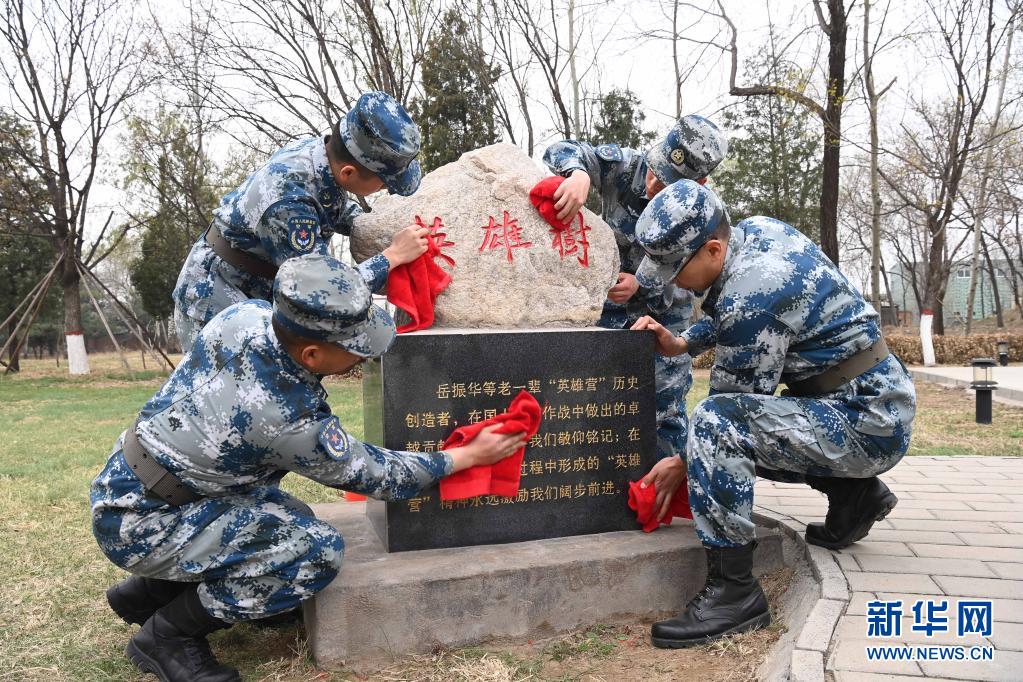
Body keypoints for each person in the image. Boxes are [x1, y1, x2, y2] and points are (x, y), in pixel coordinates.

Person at [92, 254, 527, 681]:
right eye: (355, 349)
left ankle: (149, 594)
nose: (363, 358)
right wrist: (465, 457)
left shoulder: (247, 316)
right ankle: (167, 637)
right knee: (313, 553)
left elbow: (317, 292)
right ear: (313, 354)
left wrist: (388, 260)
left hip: (135, 483)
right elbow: (377, 473)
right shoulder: (288, 418)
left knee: (293, 514)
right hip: (144, 523)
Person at [630, 180, 916, 648]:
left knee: (714, 426)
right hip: (870, 401)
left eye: (675, 268)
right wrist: (683, 341)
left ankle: (734, 593)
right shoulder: (758, 233)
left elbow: (729, 416)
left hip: (867, 422)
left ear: (713, 249)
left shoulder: (751, 297)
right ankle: (856, 496)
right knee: (736, 428)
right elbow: (737, 309)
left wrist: (680, 461)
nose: (671, 280)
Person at [542, 116, 727, 508]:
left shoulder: (705, 210)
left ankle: (672, 498)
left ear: (699, 185)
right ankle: (601, 493)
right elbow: (561, 149)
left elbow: (701, 270)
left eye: (667, 183)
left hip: (665, 312)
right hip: (608, 311)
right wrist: (577, 173)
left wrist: (644, 284)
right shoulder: (625, 166)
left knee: (664, 405)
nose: (653, 185)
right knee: (597, 400)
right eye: (655, 173)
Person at [172, 91, 431, 353]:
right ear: (349, 172)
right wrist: (392, 256)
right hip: (219, 300)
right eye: (384, 183)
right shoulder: (288, 201)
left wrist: (369, 225)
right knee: (232, 391)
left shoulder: (323, 158)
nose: (384, 190)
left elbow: (331, 205)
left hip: (257, 293)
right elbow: (323, 289)